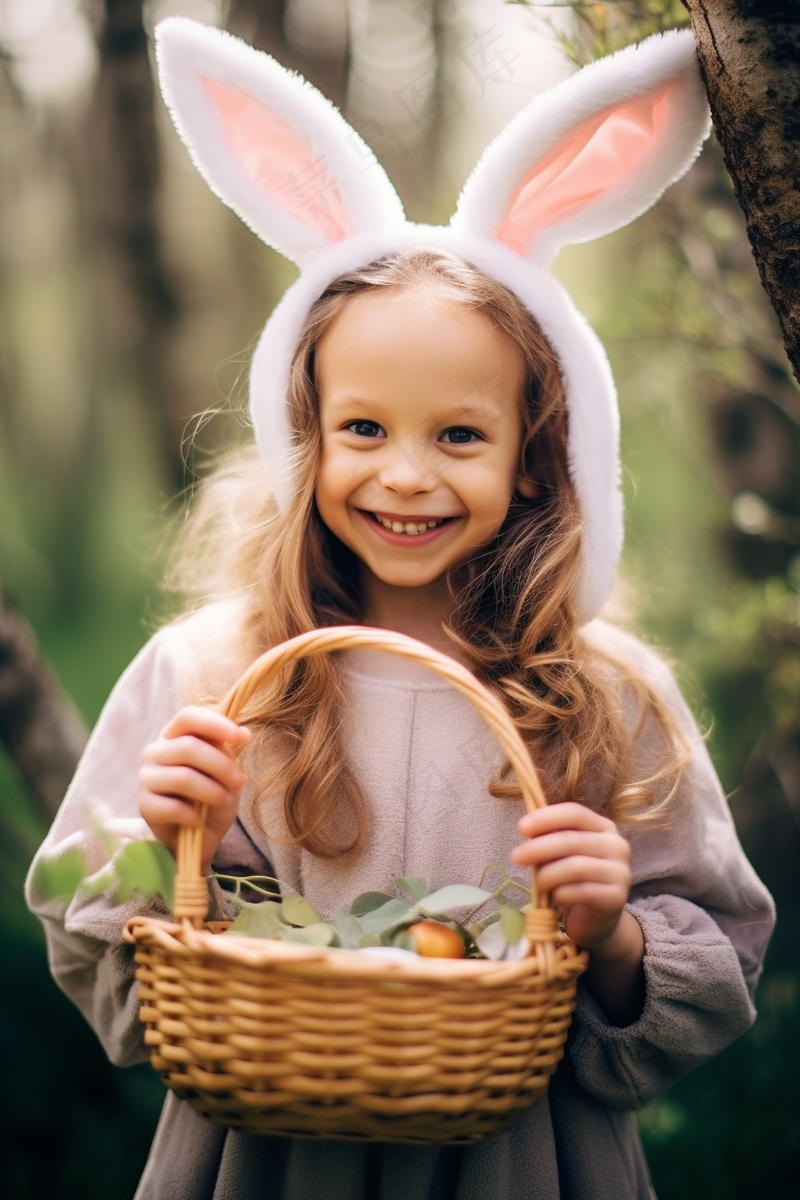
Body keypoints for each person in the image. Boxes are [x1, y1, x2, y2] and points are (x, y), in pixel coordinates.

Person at [26, 18, 774, 1200]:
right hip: (263, 1162)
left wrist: (614, 936)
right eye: (363, 428)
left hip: (523, 1162)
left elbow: (716, 957)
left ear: (536, 456)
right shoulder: (214, 670)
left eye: (461, 436)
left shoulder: (609, 694)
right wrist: (157, 841)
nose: (406, 475)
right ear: (303, 439)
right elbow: (110, 968)